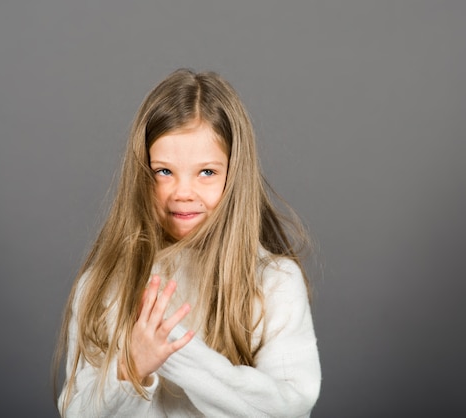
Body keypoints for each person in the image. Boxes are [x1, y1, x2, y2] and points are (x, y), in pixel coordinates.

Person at [54, 69, 321, 417]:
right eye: (163, 171)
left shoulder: (275, 282)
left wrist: (176, 352)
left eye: (207, 172)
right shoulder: (103, 284)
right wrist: (132, 368)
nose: (182, 193)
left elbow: (288, 408)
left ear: (234, 176)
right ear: (142, 173)